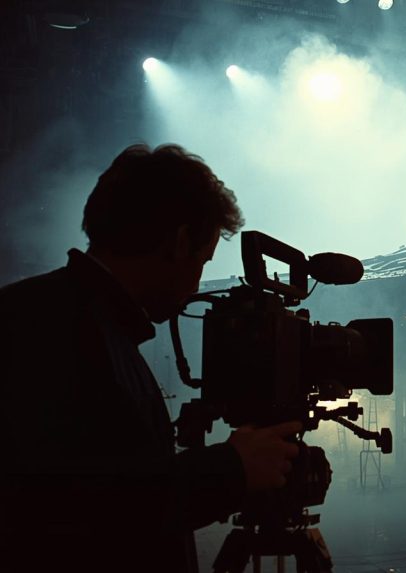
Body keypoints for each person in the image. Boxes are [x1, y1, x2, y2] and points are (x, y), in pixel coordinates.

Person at [0, 144, 301, 573]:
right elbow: (71, 509)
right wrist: (228, 471)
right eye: (203, 259)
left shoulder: (65, 318)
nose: (198, 279)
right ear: (179, 242)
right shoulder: (53, 327)